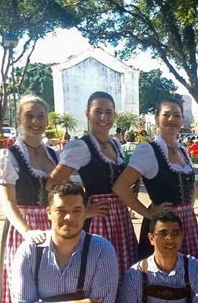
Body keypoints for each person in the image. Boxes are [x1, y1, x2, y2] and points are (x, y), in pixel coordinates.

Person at [0, 95, 59, 303]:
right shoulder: (9, 155)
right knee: (23, 289)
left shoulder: (54, 154)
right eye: (29, 115)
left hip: (52, 226)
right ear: (19, 119)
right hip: (25, 228)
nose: (35, 121)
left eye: (40, 116)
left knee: (51, 287)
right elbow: (7, 202)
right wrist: (26, 231)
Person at [48, 91, 137, 281]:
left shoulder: (115, 145)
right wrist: (83, 209)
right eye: (98, 112)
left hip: (120, 218)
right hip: (99, 220)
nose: (104, 117)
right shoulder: (81, 146)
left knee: (122, 269)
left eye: (109, 112)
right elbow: (54, 182)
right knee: (99, 272)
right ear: (87, 113)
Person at [113, 98, 198, 260]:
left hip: (187, 224)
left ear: (182, 120)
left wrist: (187, 210)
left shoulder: (183, 151)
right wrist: (148, 213)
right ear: (156, 119)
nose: (172, 119)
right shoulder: (147, 150)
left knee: (188, 275)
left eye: (177, 115)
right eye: (166, 115)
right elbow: (121, 187)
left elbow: (192, 186)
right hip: (162, 226)